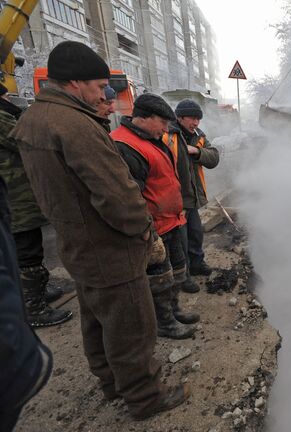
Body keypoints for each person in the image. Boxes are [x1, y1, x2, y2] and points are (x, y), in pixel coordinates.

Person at [9, 41, 189, 420]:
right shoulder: (75, 126)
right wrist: (142, 229)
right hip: (108, 244)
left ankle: (110, 382)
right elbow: (115, 193)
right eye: (98, 86)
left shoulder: (32, 120)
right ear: (75, 83)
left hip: (74, 240)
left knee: (96, 317)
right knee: (132, 324)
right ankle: (144, 396)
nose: (104, 95)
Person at [111, 93, 200, 339]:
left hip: (171, 220)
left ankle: (174, 309)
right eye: (162, 122)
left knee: (176, 270)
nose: (165, 128)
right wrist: (147, 229)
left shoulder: (151, 138)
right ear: (145, 118)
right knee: (159, 277)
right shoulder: (125, 145)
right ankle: (164, 322)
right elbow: (129, 196)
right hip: (153, 226)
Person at [0, 82, 72, 327]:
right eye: (5, 93)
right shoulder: (2, 118)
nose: (10, 97)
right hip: (14, 199)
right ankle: (33, 310)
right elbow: (26, 140)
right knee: (26, 251)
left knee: (28, 248)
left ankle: (35, 293)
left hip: (17, 195)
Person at [0, 176, 53, 432]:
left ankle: (35, 296)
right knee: (27, 252)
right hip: (20, 203)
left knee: (28, 253)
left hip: (19, 203)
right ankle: (35, 304)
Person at [163, 99, 219, 285]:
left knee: (196, 234)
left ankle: (197, 264)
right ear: (179, 117)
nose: (196, 123)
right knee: (180, 240)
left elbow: (213, 158)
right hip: (175, 199)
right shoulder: (167, 135)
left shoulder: (198, 136)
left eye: (198, 119)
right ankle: (183, 275)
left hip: (192, 197)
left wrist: (196, 151)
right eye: (192, 118)